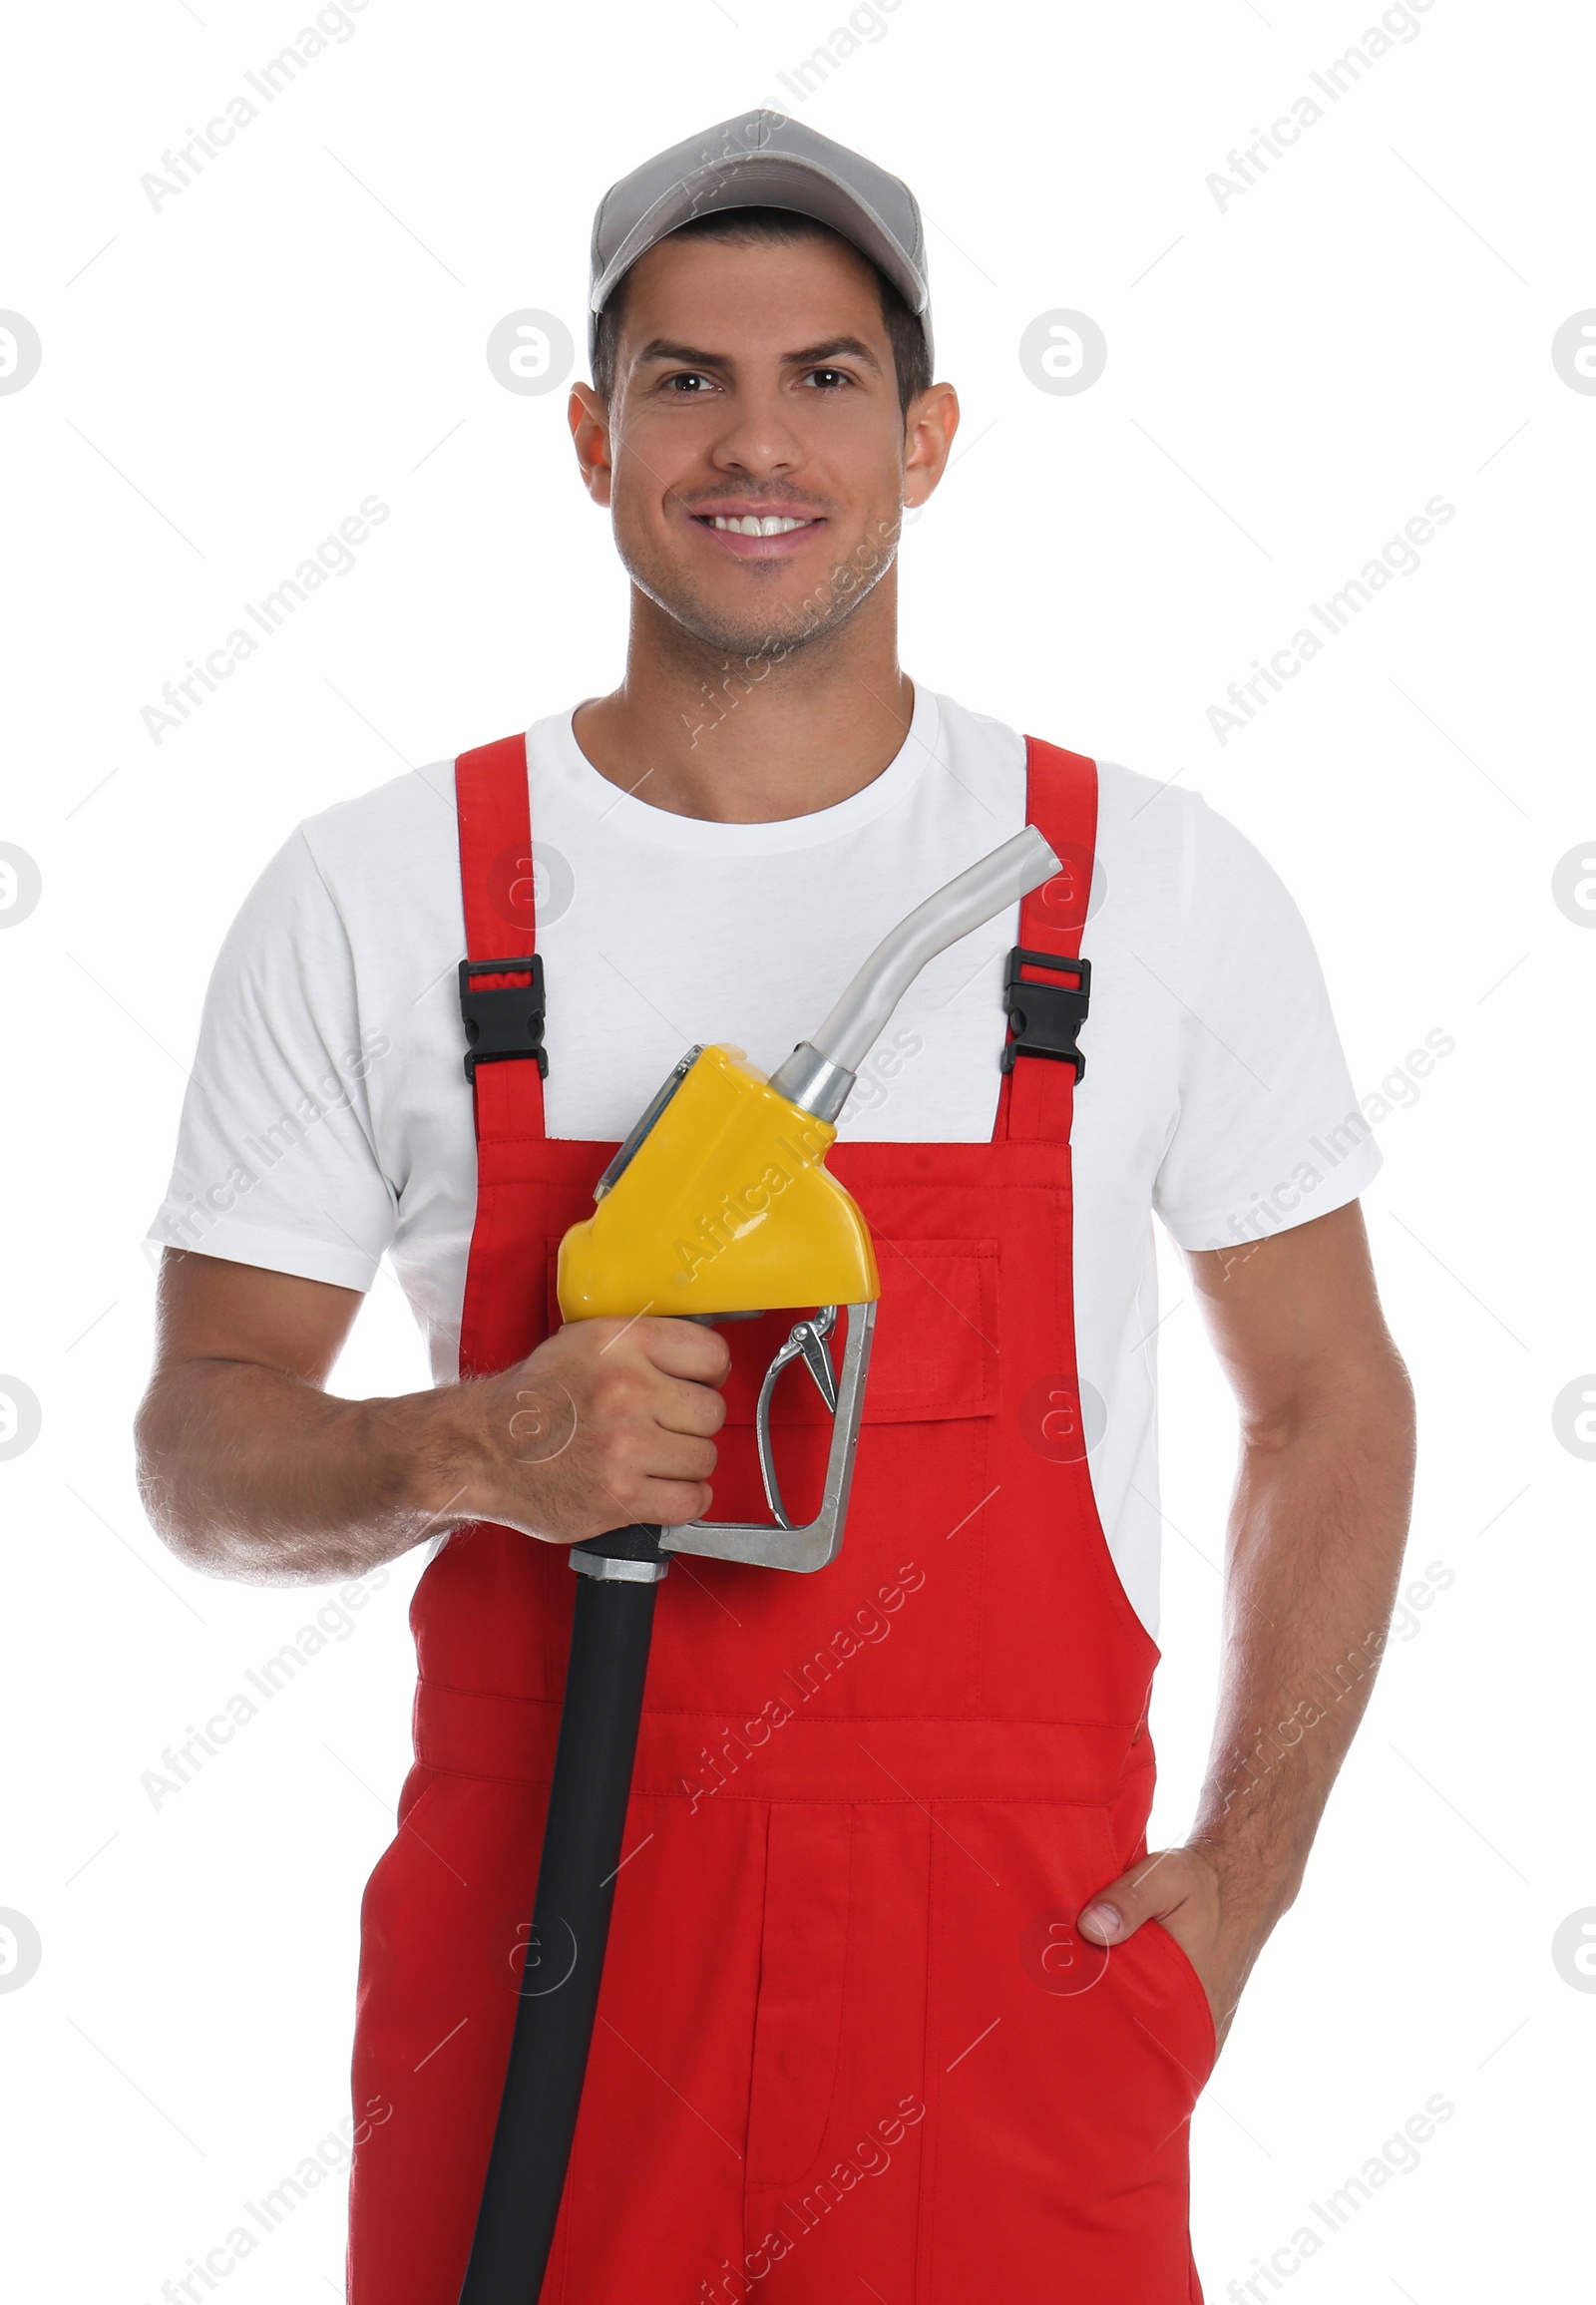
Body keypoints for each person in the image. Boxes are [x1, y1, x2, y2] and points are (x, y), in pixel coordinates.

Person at [136, 109, 1416, 2305]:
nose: (758, 440)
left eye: (824, 377)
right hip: (530, 1987)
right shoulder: (379, 894)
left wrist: (1247, 1874)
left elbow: (1327, 1396)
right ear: (587, 432)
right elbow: (197, 1442)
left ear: (922, 439)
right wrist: (464, 1446)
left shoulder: (1146, 891)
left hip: (1005, 2021)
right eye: (685, 378)